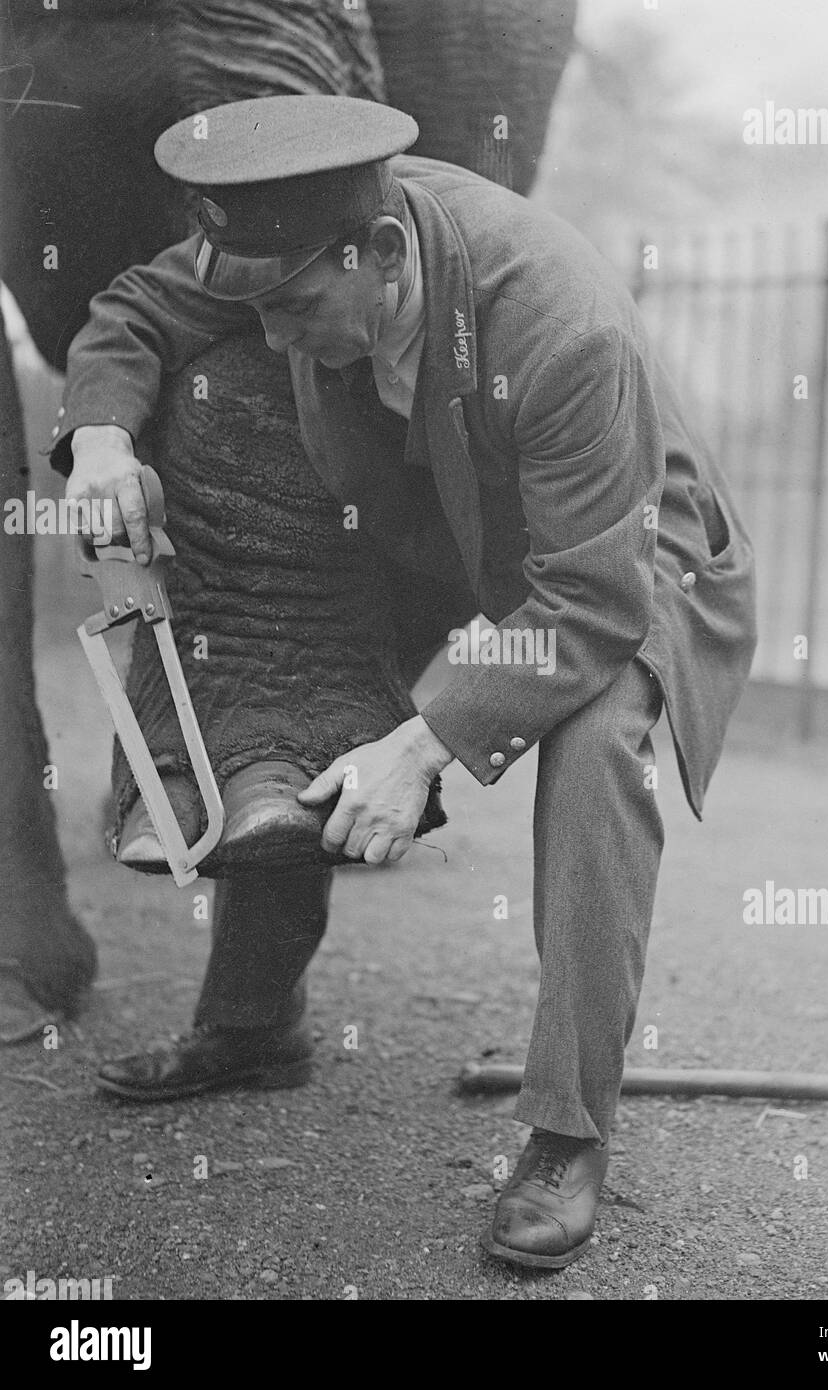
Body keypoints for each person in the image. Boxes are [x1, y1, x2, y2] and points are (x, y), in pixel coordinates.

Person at [49, 94, 757, 1269]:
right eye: (256, 303)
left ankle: (566, 1135)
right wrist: (106, 441)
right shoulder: (302, 227)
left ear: (382, 254)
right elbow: (135, 310)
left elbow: (586, 600)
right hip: (443, 528)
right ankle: (252, 1022)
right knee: (224, 434)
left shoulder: (561, 322)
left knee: (593, 747)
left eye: (294, 309)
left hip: (624, 562)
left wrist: (420, 742)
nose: (273, 337)